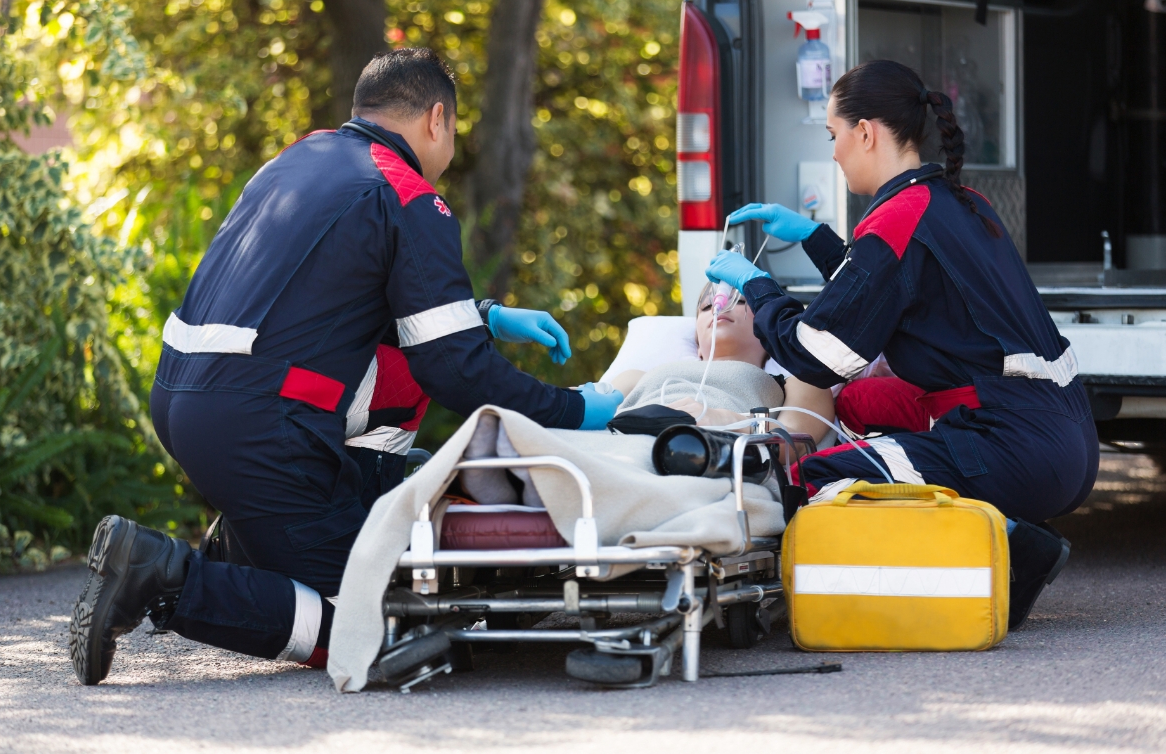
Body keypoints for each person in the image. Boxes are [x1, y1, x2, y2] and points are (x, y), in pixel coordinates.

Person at [68, 48, 624, 685]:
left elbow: (332, 300)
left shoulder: (299, 160)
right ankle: (164, 578)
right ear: (436, 118)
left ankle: (245, 544)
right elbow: (457, 372)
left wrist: (486, 314)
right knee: (391, 625)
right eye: (456, 130)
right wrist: (577, 409)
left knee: (364, 503)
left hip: (187, 401)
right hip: (259, 427)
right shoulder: (410, 197)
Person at [705, 60, 1096, 628]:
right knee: (864, 407)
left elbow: (816, 354)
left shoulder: (898, 218)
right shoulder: (961, 201)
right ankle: (1010, 538)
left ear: (865, 132)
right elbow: (889, 287)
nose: (834, 152)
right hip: (1065, 437)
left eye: (834, 136)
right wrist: (816, 238)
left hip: (1017, 446)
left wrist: (757, 286)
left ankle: (1012, 544)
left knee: (819, 477)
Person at [610, 280, 835, 444]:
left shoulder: (800, 382)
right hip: (615, 448)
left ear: (769, 333)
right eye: (706, 308)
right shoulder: (635, 377)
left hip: (704, 457)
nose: (720, 306)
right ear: (697, 345)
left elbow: (796, 441)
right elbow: (582, 409)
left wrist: (727, 420)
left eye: (740, 301)